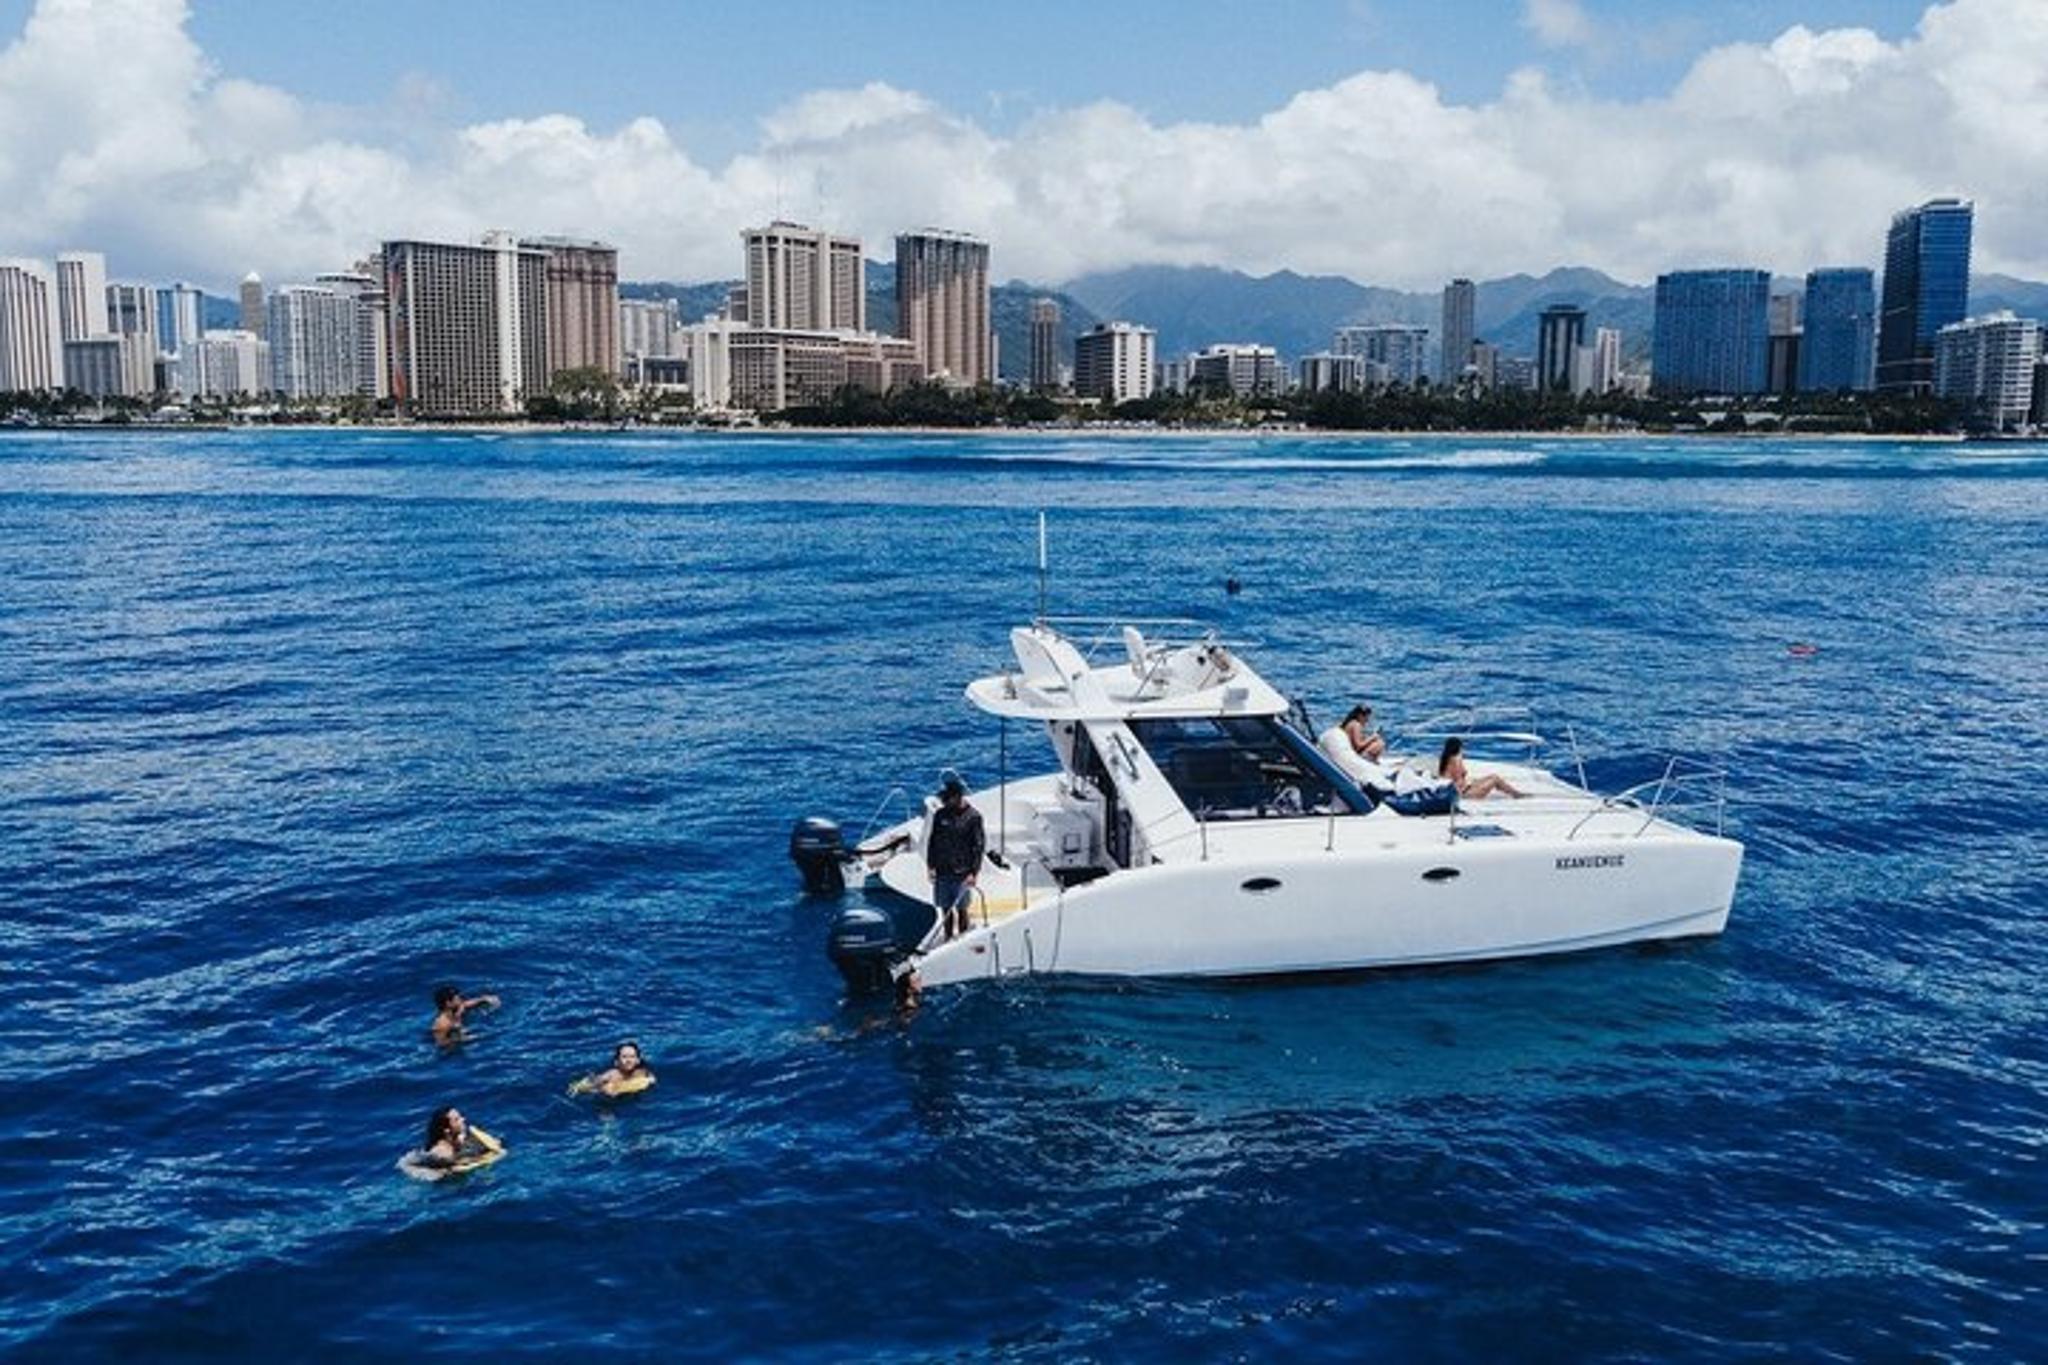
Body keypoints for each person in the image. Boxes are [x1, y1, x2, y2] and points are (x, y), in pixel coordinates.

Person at [926, 775, 985, 940]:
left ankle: (962, 939)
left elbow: (978, 847)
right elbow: (933, 841)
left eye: (948, 798)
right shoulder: (940, 815)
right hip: (942, 870)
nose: (945, 802)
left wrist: (974, 873)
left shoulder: (973, 817)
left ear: (958, 797)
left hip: (962, 872)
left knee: (962, 909)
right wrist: (930, 866)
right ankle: (947, 936)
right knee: (945, 908)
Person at [411, 1106, 505, 1176]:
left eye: (460, 1117)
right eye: (457, 1119)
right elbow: (457, 1168)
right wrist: (494, 1156)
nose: (463, 1120)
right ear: (447, 1131)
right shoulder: (443, 1153)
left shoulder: (459, 1138)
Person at [1438, 736, 1525, 800]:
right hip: (1464, 794)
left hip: (1464, 790)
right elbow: (1459, 780)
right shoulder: (1454, 760)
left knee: (1493, 776)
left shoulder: (1446, 759)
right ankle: (1516, 794)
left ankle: (1514, 793)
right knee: (1495, 779)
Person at [568, 1040, 656, 1096]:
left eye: (632, 1056)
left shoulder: (643, 1072)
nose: (629, 1060)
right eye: (624, 1057)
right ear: (617, 1062)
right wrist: (578, 1086)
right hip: (610, 1100)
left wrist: (620, 1088)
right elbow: (595, 1081)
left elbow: (651, 1081)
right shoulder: (612, 1074)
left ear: (638, 1060)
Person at [430, 985, 500, 1044]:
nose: (461, 999)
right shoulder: (442, 1024)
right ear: (448, 1003)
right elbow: (441, 1043)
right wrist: (465, 1039)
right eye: (457, 998)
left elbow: (467, 1004)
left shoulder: (457, 1009)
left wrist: (484, 999)